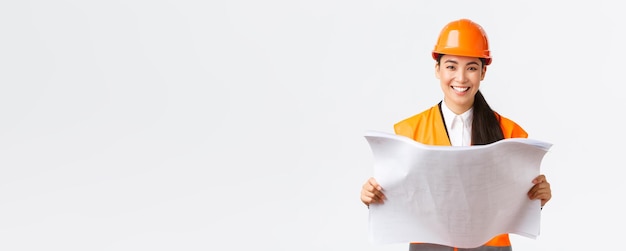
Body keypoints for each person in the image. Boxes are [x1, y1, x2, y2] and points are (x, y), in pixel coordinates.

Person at [359, 18, 552, 251]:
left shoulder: (511, 134)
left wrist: (538, 198)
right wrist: (372, 197)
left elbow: (516, 205)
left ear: (483, 72)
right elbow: (401, 201)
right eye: (451, 66)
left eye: (471, 67)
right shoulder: (408, 133)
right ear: (437, 69)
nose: (460, 78)